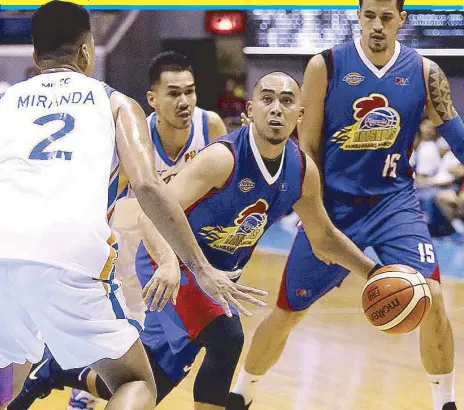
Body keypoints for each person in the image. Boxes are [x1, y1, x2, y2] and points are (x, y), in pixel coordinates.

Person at [9, 71, 381, 410]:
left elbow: (324, 237)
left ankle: (56, 371)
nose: (277, 109)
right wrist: (171, 264)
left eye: (286, 101)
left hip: (215, 279)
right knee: (227, 336)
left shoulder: (302, 170)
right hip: (173, 265)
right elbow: (150, 214)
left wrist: (375, 272)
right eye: (267, 99)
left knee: (151, 382)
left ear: (300, 113)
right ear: (250, 111)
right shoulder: (222, 158)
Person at [0, 2, 266, 409]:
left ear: (35, 56)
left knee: (10, 370)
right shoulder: (117, 104)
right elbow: (147, 185)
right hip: (72, 253)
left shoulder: (6, 103)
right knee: (136, 382)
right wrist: (200, 267)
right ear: (87, 50)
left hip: (4, 249)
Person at [228, 1, 463, 410]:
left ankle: (446, 403)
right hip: (332, 208)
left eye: (386, 18)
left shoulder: (425, 72)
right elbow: (310, 147)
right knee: (288, 309)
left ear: (401, 20)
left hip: (395, 205)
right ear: (358, 15)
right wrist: (311, 212)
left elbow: (456, 134)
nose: (376, 25)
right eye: (369, 16)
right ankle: (241, 394)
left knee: (434, 298)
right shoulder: (326, 66)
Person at [66, 50, 228, 409]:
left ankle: (90, 379)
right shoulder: (133, 132)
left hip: (176, 241)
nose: (184, 101)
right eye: (173, 93)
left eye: (190, 91)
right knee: (128, 327)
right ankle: (87, 384)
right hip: (128, 238)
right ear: (152, 99)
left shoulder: (211, 126)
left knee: (177, 338)